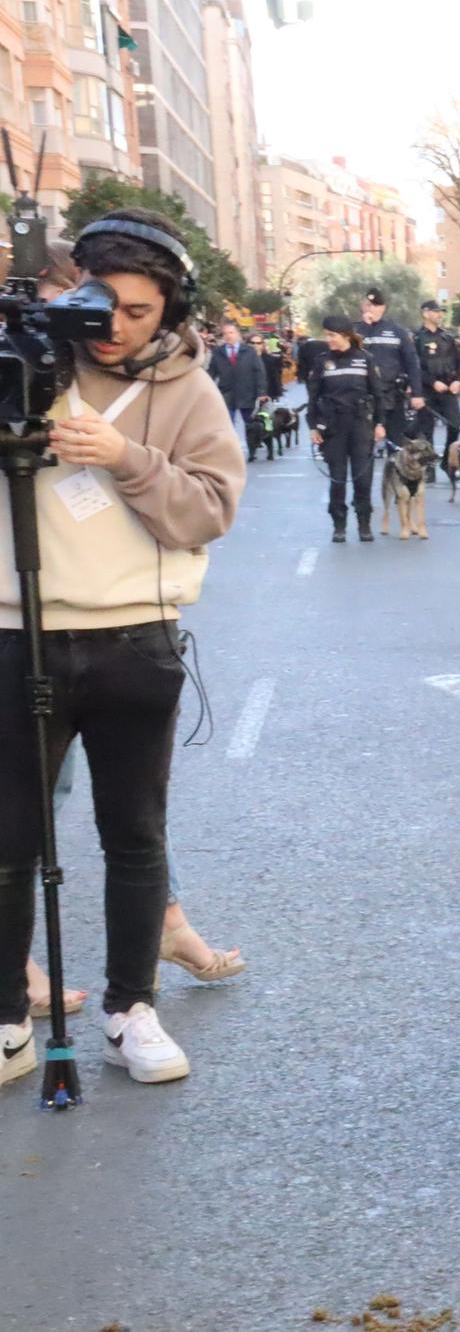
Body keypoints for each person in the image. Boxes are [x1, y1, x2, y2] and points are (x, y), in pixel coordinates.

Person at [0, 207, 245, 1092]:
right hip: (16, 630)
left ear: (171, 309)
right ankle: (3, 1019)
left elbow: (210, 508)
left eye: (141, 312)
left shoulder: (188, 391)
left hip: (133, 637)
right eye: (104, 306)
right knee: (9, 838)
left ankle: (130, 1008)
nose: (116, 328)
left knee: (134, 834)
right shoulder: (23, 365)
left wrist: (124, 455)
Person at [308, 315, 390, 543]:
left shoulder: (365, 359)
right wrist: (313, 426)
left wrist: (380, 423)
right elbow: (313, 396)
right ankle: (339, 524)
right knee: (338, 478)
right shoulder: (322, 361)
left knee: (362, 479)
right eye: (327, 335)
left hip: (361, 424)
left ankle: (364, 523)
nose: (329, 340)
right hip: (333, 427)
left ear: (345, 335)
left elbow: (378, 393)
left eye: (332, 335)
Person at [356, 288, 423, 448]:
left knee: (396, 445)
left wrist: (417, 393)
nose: (371, 308)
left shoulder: (397, 331)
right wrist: (365, 327)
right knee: (363, 447)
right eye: (368, 305)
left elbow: (412, 363)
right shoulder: (355, 330)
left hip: (391, 395)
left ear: (383, 307)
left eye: (375, 305)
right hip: (363, 396)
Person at [412, 300, 460, 464]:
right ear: (425, 313)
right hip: (428, 389)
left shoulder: (447, 337)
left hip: (448, 388)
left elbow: (459, 362)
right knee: (426, 428)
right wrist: (432, 382)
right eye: (436, 312)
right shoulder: (417, 338)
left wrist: (458, 380)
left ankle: (447, 460)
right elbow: (415, 367)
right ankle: (428, 466)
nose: (439, 315)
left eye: (440, 312)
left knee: (455, 423)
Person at [208, 323, 266, 459]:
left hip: (247, 393)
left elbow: (259, 372)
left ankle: (252, 450)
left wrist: (261, 392)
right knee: (227, 424)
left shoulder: (249, 351)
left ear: (238, 334)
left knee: (250, 424)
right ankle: (230, 452)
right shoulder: (218, 352)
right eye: (225, 333)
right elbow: (211, 373)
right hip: (227, 393)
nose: (228, 336)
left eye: (231, 333)